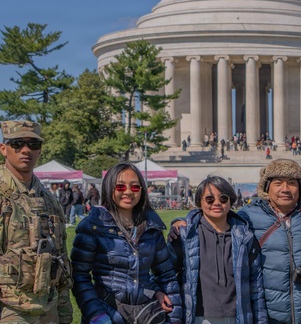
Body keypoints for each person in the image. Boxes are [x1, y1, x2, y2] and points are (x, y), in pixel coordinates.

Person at [70, 162, 181, 324]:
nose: (128, 192)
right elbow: (79, 277)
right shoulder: (92, 226)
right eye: (120, 187)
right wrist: (97, 315)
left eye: (135, 187)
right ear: (109, 188)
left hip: (146, 314)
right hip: (108, 313)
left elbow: (167, 276)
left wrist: (174, 317)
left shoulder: (151, 226)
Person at [0, 120, 73, 323]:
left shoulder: (50, 201)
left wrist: (65, 314)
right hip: (9, 310)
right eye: (17, 144)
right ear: (4, 149)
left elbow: (61, 263)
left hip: (48, 307)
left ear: (40, 151)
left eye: (33, 145)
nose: (26, 150)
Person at [168, 176, 267, 324]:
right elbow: (167, 276)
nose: (216, 203)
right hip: (199, 317)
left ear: (231, 201)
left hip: (238, 317)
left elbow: (256, 285)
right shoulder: (184, 235)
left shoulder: (245, 237)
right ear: (199, 202)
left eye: (223, 198)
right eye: (209, 199)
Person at [239, 159, 301, 324]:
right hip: (267, 315)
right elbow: (216, 224)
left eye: (292, 183)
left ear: (300, 188)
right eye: (278, 183)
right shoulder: (248, 216)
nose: (285, 189)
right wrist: (183, 222)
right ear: (267, 187)